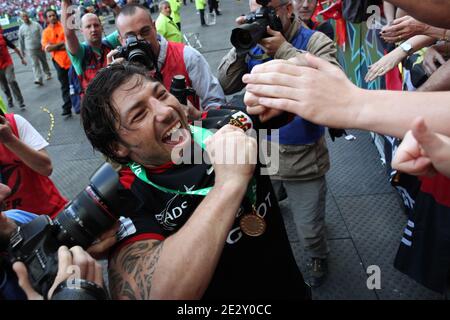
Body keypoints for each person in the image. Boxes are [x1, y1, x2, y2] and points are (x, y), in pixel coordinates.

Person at [81, 62, 311, 300]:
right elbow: (151, 294)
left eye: (161, 94)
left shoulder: (224, 124)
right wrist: (228, 184)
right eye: (139, 114)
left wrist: (283, 93)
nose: (165, 111)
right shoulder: (128, 198)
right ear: (116, 146)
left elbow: (284, 100)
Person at [218, 0, 339, 287]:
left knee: (308, 230)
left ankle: (318, 254)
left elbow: (333, 86)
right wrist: (241, 47)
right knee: (260, 218)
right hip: (261, 155)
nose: (263, 18)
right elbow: (225, 84)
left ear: (288, 8)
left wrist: (284, 49)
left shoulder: (314, 40)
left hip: (303, 159)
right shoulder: (253, 38)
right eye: (257, 11)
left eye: (270, 10)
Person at [108, 4, 225, 110]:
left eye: (145, 32)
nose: (140, 40)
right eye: (131, 37)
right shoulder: (120, 71)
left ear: (154, 27)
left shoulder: (186, 55)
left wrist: (198, 125)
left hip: (189, 129)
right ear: (120, 40)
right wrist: (110, 84)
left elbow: (215, 101)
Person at [0, 112, 68, 217]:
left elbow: (46, 168)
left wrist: (10, 140)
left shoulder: (13, 123)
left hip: (51, 213)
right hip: (11, 227)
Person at [61, 0, 121, 94]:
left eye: (96, 25)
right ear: (81, 30)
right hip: (94, 106)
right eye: (88, 26)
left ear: (101, 27)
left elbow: (126, 26)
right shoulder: (80, 52)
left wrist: (113, 5)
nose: (93, 30)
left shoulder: (109, 43)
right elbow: (69, 34)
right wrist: (66, 3)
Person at [41, 8, 73, 117]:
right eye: (49, 16)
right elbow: (47, 49)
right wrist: (60, 45)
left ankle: (81, 105)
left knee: (76, 84)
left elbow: (68, 44)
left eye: (53, 15)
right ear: (46, 18)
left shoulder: (64, 27)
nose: (52, 17)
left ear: (56, 15)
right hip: (58, 62)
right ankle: (67, 108)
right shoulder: (46, 32)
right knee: (64, 86)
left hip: (70, 59)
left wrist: (54, 46)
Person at [18, 11, 52, 86]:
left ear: (28, 16)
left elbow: (43, 35)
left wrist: (45, 45)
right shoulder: (21, 29)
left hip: (40, 47)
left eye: (26, 16)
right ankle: (38, 78)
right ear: (21, 19)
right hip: (30, 49)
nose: (25, 18)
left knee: (43, 61)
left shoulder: (36, 24)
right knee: (35, 64)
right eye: (23, 17)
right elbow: (21, 41)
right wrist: (22, 51)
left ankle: (47, 73)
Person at [0, 25, 26, 110]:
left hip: (7, 63)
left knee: (11, 80)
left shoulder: (3, 38)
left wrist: (22, 58)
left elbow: (14, 48)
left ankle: (20, 101)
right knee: (4, 85)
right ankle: (9, 99)